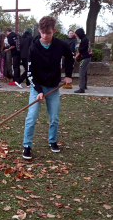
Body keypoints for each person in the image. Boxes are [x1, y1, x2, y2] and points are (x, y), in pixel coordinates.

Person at [22, 16, 73, 160]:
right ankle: (26, 145)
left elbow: (70, 57)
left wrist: (68, 75)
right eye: (42, 32)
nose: (45, 36)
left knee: (54, 117)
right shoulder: (33, 48)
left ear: (54, 31)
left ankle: (52, 141)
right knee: (32, 117)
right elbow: (29, 72)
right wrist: (38, 90)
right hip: (36, 86)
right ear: (39, 30)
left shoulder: (61, 45)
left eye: (48, 33)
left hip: (53, 87)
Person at [74, 28, 92, 93]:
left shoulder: (84, 39)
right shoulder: (85, 39)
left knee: (81, 72)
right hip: (87, 57)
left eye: (76, 35)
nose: (76, 36)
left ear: (79, 34)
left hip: (85, 58)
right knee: (84, 72)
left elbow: (81, 50)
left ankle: (81, 89)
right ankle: (84, 85)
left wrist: (76, 56)